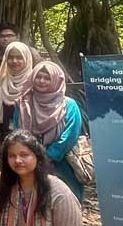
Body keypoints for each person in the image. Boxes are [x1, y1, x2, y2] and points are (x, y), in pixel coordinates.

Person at [12, 62, 85, 201]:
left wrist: (47, 156)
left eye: (47, 78)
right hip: (29, 165)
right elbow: (18, 134)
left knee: (66, 206)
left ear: (56, 80)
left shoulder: (69, 105)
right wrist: (31, 155)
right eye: (38, 77)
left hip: (63, 165)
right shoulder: (23, 103)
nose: (41, 81)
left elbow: (69, 135)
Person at [0, 41, 36, 146]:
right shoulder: (1, 80)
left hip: (29, 140)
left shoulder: (34, 83)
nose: (14, 61)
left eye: (19, 57)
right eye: (10, 57)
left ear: (27, 59)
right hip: (2, 137)